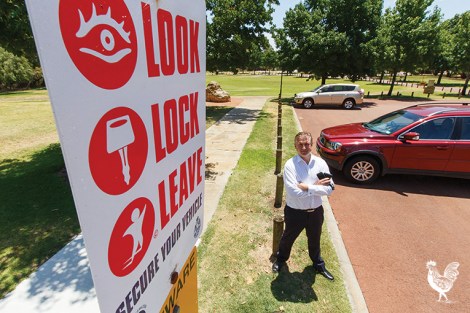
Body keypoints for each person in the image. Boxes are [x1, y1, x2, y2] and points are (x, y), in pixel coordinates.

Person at [272, 131, 335, 280]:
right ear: (295, 146)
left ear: (311, 144)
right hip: (295, 211)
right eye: (300, 144)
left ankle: (318, 264)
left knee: (315, 238)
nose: (304, 147)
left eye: (307, 144)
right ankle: (281, 260)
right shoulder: (290, 165)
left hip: (316, 212)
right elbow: (294, 192)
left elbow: (330, 189)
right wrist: (317, 187)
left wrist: (307, 187)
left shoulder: (320, 163)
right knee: (288, 238)